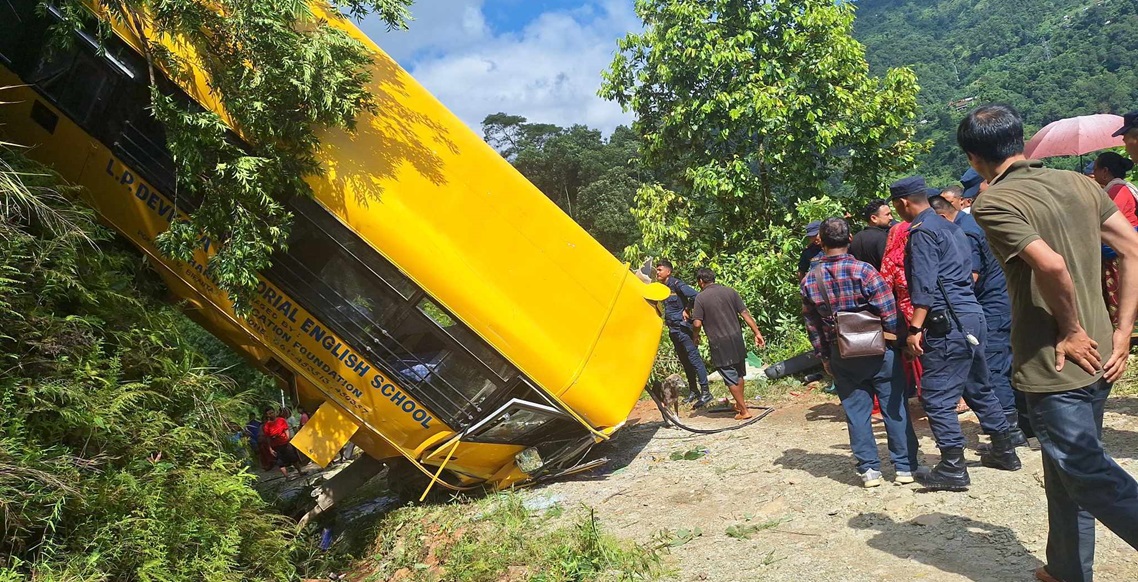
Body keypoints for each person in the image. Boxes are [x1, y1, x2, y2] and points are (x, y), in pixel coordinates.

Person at [967, 104, 1138, 582]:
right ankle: (1066, 569)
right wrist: (1122, 331)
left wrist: (1070, 328)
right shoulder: (1081, 184)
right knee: (1068, 475)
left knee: (1084, 469)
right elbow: (1132, 248)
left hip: (1054, 359)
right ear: (1019, 141)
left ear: (974, 157)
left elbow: (1052, 266)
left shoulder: (993, 202)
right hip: (1103, 353)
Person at [890, 176, 1022, 491]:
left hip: (947, 322)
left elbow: (924, 286)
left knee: (935, 396)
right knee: (979, 386)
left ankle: (952, 466)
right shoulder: (954, 228)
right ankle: (1005, 450)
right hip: (973, 316)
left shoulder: (921, 233)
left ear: (904, 203)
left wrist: (914, 329)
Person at [801, 217, 919, 487]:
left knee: (856, 412)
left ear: (821, 240)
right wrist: (895, 340)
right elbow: (888, 309)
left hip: (841, 351)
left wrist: (824, 356)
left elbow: (812, 323)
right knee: (894, 407)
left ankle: (869, 470)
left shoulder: (810, 279)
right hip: (879, 349)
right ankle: (904, 468)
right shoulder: (864, 271)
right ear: (850, 238)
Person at [929, 194, 1030, 445]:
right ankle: (1024, 424)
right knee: (1008, 363)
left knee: (994, 369)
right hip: (1004, 302)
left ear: (941, 216)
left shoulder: (965, 232)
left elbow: (969, 277)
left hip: (991, 305)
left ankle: (1009, 433)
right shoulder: (971, 225)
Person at [691, 268, 766, 420]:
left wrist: (695, 336)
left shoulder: (700, 298)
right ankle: (740, 404)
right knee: (738, 373)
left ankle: (744, 411)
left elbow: (697, 323)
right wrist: (757, 333)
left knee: (729, 376)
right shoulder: (730, 292)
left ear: (700, 281)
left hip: (719, 342)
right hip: (736, 338)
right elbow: (745, 314)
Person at [656, 259, 712, 407]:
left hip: (683, 330)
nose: (657, 272)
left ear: (668, 271)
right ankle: (694, 391)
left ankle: (706, 392)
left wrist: (687, 309)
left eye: (660, 269)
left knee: (695, 360)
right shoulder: (662, 289)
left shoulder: (676, 285)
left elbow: (696, 296)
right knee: (685, 362)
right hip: (673, 330)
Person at [1092, 151, 1138, 329]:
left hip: (1118, 253)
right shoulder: (1125, 188)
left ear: (1105, 171)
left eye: (1096, 169)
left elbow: (1107, 220)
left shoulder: (1115, 192)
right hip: (1124, 248)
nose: (1094, 173)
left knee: (1121, 296)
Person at [880, 220, 923, 395]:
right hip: (929, 309)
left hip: (907, 313)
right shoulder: (921, 253)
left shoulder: (891, 259)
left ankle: (920, 393)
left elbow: (884, 288)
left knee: (914, 354)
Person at [849, 199, 893, 270]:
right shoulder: (883, 238)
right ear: (873, 218)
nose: (891, 218)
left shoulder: (856, 237)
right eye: (887, 215)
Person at [263, 408, 306, 480]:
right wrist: (270, 449)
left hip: (285, 443)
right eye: (269, 414)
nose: (271, 414)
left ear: (275, 412)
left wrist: (287, 439)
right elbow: (267, 438)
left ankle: (300, 472)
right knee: (280, 462)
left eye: (272, 412)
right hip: (275, 445)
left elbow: (286, 430)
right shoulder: (267, 425)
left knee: (293, 458)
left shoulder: (281, 420)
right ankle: (287, 477)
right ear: (267, 415)